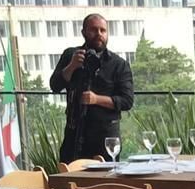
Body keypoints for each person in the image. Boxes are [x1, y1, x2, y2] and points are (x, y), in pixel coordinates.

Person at [50, 13, 134, 165]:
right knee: (69, 175)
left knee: (105, 178)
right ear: (84, 32)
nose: (99, 34)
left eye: (103, 30)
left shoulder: (118, 64)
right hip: (74, 134)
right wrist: (72, 66)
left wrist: (96, 99)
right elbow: (55, 86)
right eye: (94, 30)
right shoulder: (71, 55)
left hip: (105, 138)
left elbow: (127, 101)